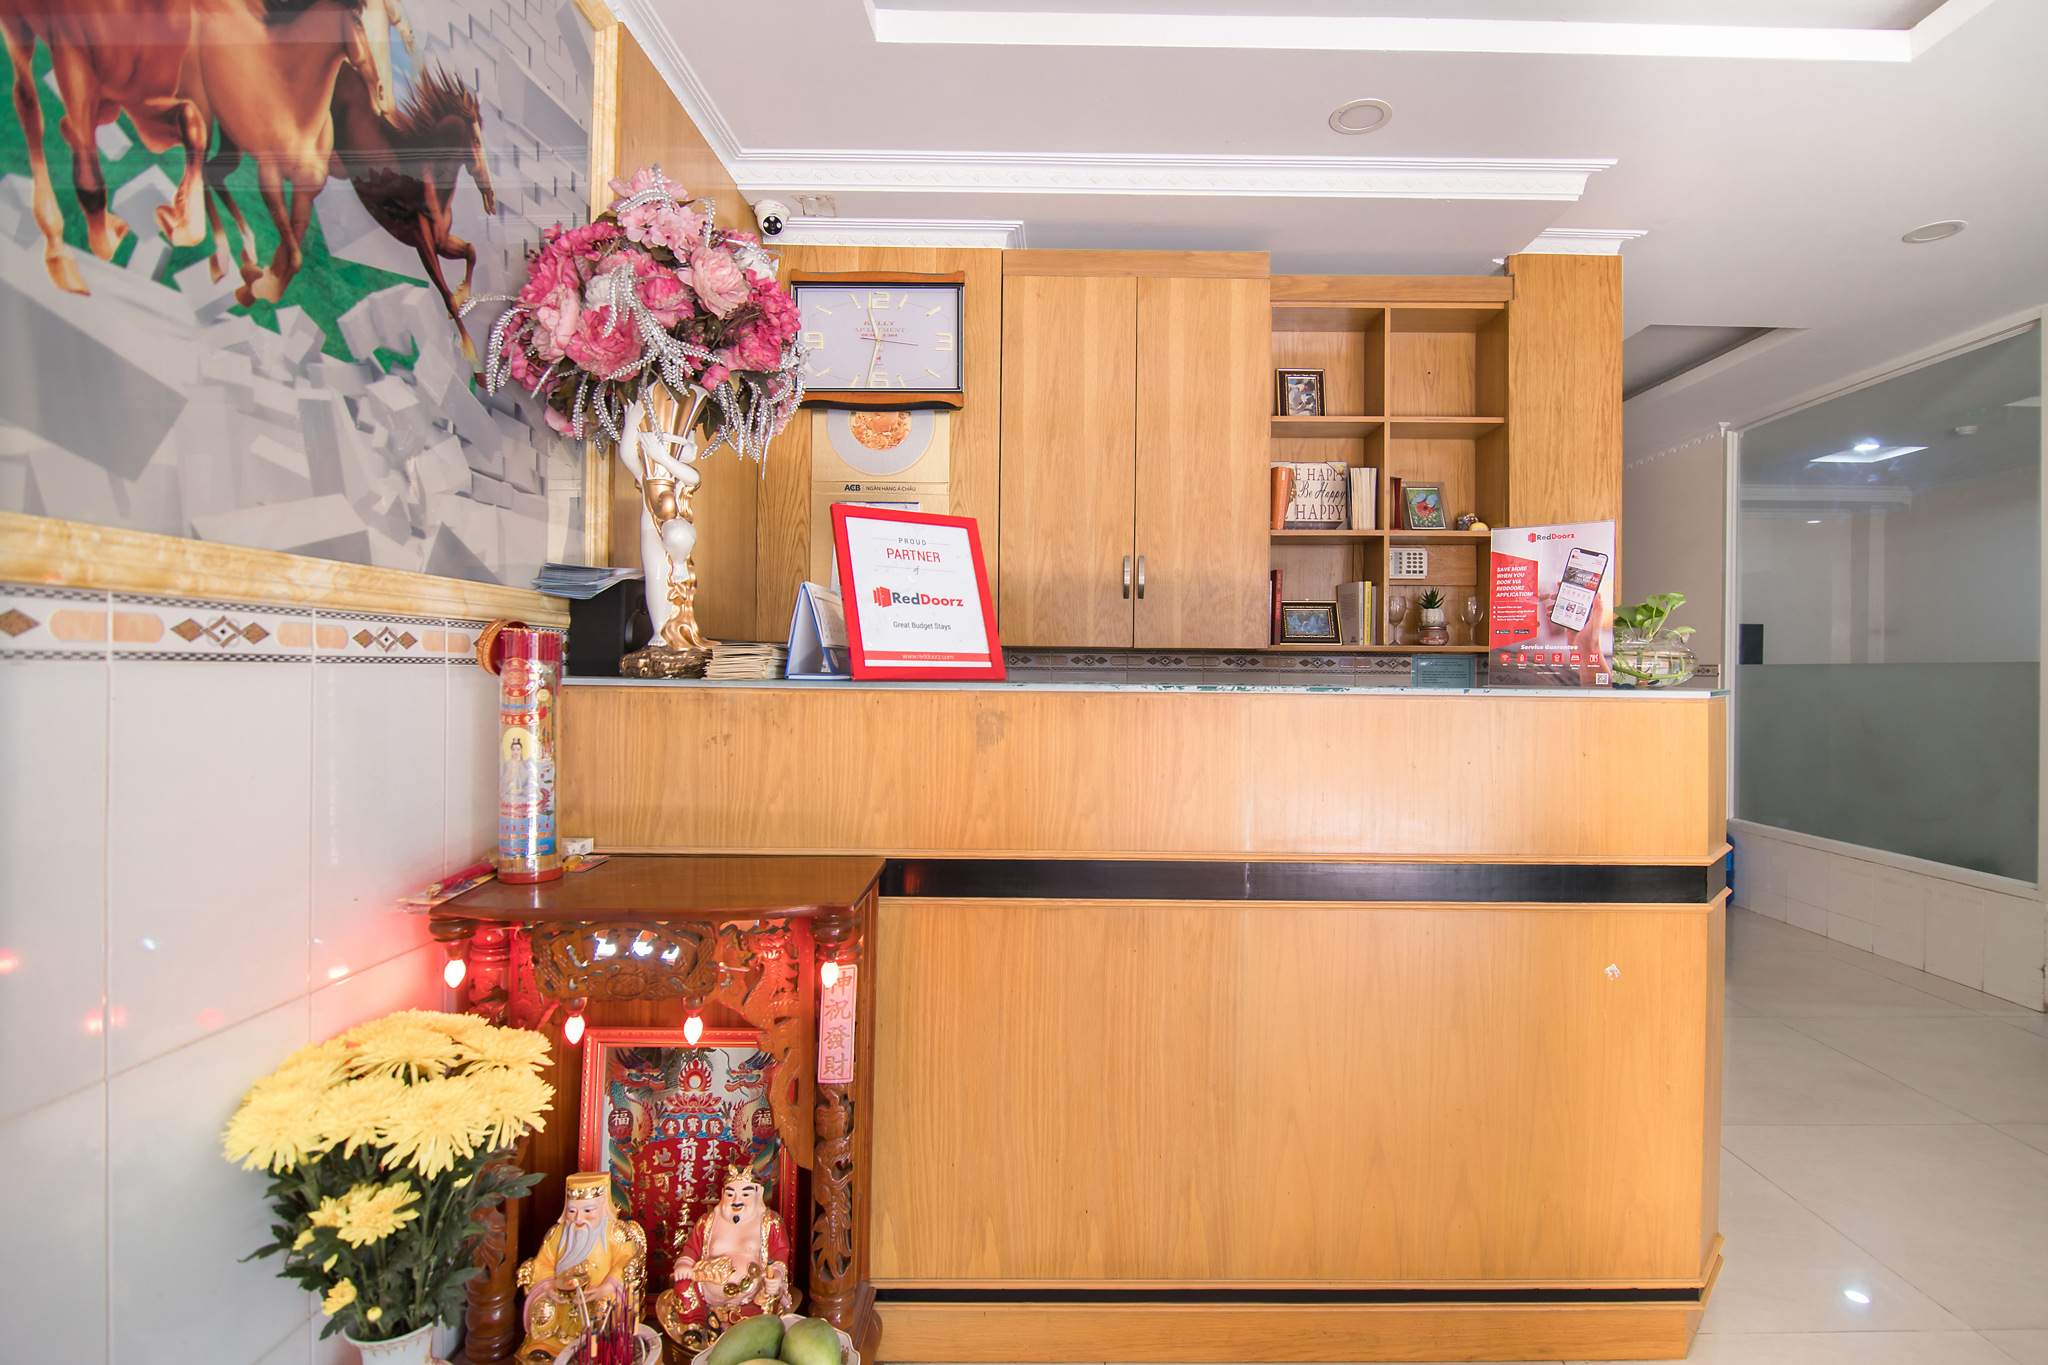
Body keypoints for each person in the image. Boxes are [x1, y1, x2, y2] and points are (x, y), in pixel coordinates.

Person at [655, 1161, 797, 1353]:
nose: (737, 1201)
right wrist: (684, 1264)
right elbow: (691, 1249)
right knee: (682, 1285)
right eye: (730, 1194)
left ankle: (747, 1327)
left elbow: (779, 1252)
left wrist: (777, 1274)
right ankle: (695, 1326)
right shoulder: (707, 1222)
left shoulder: (769, 1222)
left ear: (758, 1194)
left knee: (769, 1295)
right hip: (707, 1292)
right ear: (722, 1194)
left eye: (745, 1195)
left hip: (752, 1295)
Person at [516, 1172, 648, 1364]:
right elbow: (543, 1263)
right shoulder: (557, 1234)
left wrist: (605, 1287)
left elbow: (625, 1261)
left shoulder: (614, 1233)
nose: (578, 1218)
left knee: (605, 1309)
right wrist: (549, 1287)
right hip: (562, 1296)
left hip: (598, 1293)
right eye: (572, 1211)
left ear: (602, 1208)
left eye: (587, 1211)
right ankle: (544, 1347)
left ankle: (598, 1351)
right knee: (544, 1306)